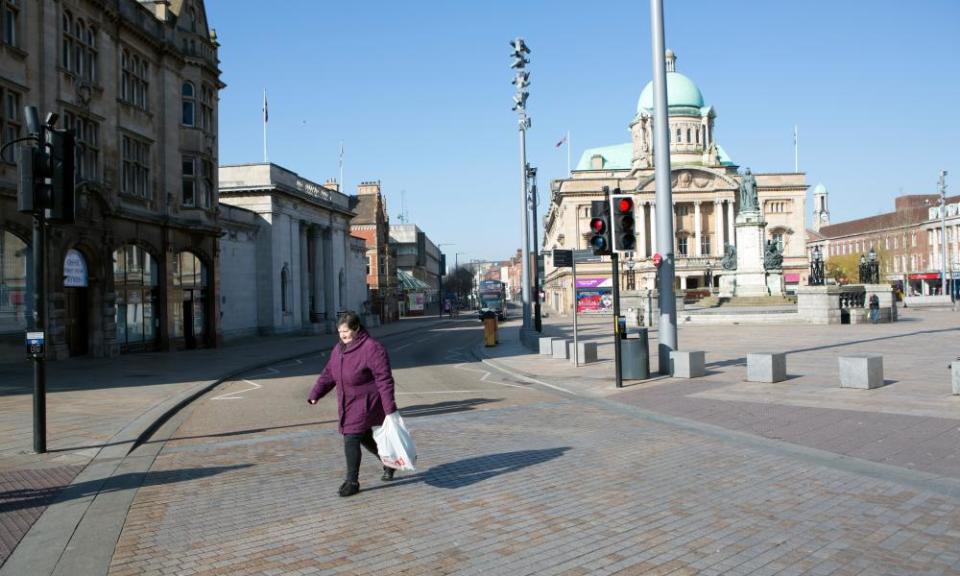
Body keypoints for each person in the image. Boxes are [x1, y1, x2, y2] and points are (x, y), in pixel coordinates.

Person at [307, 311, 399, 497]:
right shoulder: (339, 349)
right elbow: (329, 373)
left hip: (366, 402)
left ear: (356, 328)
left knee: (351, 437)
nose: (342, 335)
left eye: (346, 331)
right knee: (363, 437)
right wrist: (316, 393)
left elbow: (384, 379)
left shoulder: (372, 348)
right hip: (347, 401)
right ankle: (389, 461)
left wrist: (389, 408)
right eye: (340, 332)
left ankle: (352, 482)